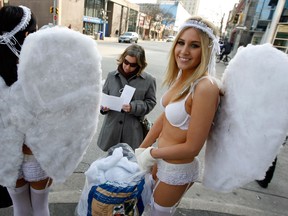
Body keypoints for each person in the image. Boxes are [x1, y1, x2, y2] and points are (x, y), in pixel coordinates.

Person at [135, 16, 221, 215]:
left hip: (177, 168)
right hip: (161, 159)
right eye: (181, 43)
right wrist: (141, 148)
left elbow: (192, 148)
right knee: (144, 208)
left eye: (194, 45)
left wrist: (151, 154)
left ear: (207, 50)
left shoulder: (204, 87)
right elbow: (164, 118)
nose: (184, 51)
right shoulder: (183, 76)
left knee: (155, 213)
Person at [0, 5, 52, 216]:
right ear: (27, 34)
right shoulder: (36, 71)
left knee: (20, 207)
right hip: (35, 153)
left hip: (5, 153)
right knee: (40, 207)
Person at [97, 44, 157, 151]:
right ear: (122, 59)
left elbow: (151, 102)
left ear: (140, 65)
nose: (127, 67)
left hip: (133, 132)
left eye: (133, 65)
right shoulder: (111, 76)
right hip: (112, 130)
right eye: (126, 62)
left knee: (130, 164)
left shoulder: (149, 80)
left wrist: (133, 107)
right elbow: (102, 97)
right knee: (109, 164)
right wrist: (103, 107)